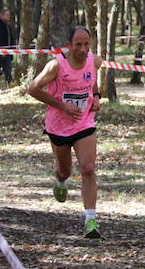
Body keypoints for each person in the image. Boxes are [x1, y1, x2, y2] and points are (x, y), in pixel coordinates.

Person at [27, 27, 104, 239]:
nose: (83, 48)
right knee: (64, 171)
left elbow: (92, 79)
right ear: (69, 45)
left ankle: (90, 220)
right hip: (59, 126)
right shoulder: (56, 66)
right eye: (78, 44)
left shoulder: (94, 61)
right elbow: (33, 89)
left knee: (88, 168)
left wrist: (96, 96)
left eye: (87, 44)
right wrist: (62, 106)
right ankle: (60, 181)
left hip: (84, 123)